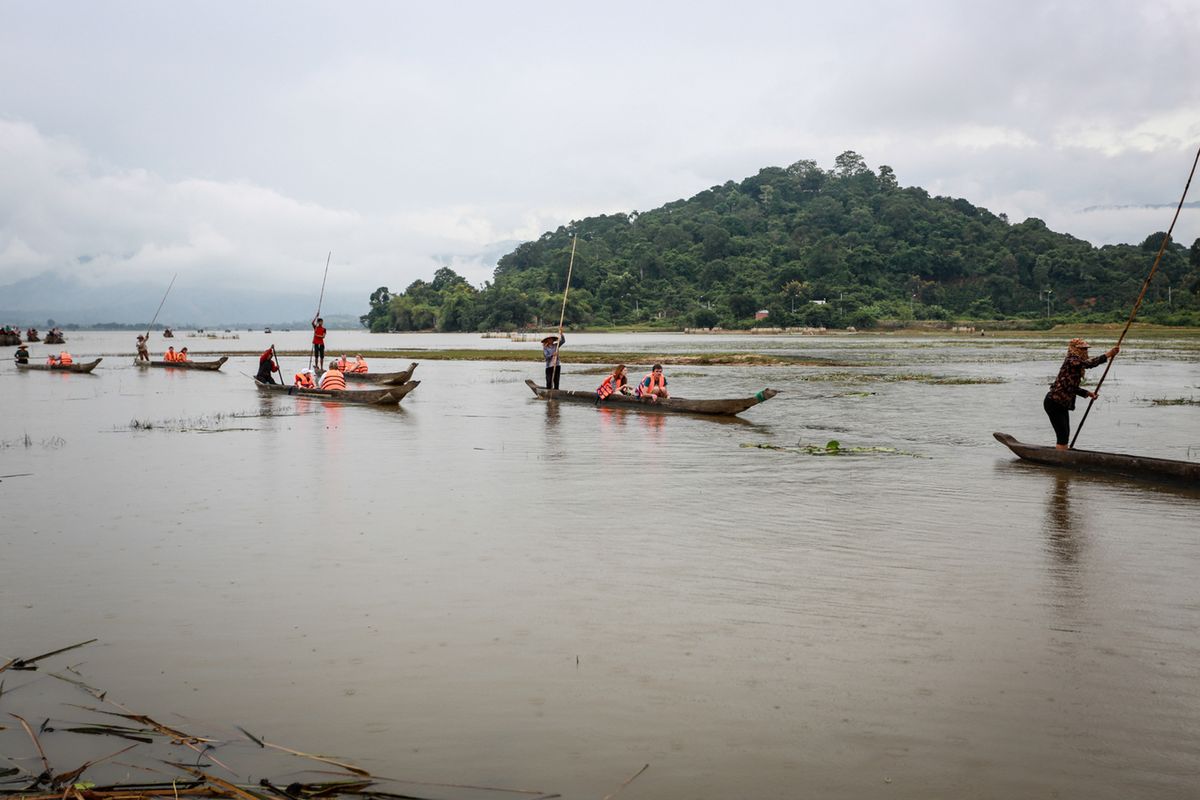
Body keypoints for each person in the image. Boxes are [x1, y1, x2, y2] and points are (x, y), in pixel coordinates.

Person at [1044, 338, 1119, 450]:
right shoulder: (1072, 360)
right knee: (1063, 436)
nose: (1084, 351)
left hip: (1061, 403)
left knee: (1065, 435)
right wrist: (1108, 354)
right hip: (1054, 402)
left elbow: (1070, 387)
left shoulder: (1076, 363)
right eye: (1081, 348)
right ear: (1073, 348)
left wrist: (1088, 393)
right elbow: (1089, 364)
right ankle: (1061, 460)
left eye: (1085, 349)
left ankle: (1062, 454)